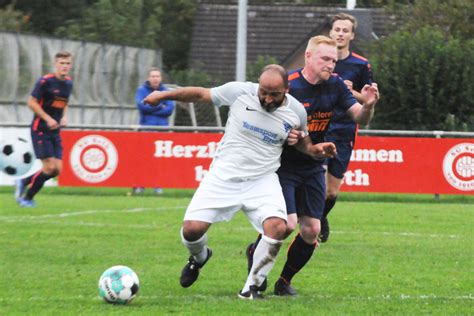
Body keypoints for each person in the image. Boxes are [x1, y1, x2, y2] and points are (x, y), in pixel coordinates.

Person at [144, 64, 337, 299]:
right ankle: (199, 257)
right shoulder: (240, 92)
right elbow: (200, 94)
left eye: (273, 94)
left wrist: (317, 149)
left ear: (286, 90)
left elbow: (304, 143)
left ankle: (251, 287)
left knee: (279, 226)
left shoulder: (296, 111)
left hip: (263, 179)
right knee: (192, 230)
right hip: (223, 175)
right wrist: (162, 95)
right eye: (263, 92)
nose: (266, 99)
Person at [246, 36, 379, 296]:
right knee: (286, 224)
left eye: (333, 60)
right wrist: (285, 135)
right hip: (282, 167)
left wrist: (369, 105)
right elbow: (259, 120)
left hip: (313, 165)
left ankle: (283, 281)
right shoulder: (289, 86)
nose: (331, 64)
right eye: (325, 59)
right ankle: (256, 271)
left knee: (312, 230)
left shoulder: (337, 85)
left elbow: (359, 116)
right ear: (308, 56)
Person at [320, 12, 374, 243]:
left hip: (345, 130)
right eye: (337, 30)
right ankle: (311, 222)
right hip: (320, 127)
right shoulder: (319, 60)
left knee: (332, 192)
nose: (340, 34)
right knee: (318, 182)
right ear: (330, 32)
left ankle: (320, 217)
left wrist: (349, 91)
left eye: (345, 30)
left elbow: (367, 100)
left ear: (351, 35)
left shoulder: (361, 65)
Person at [15, 51, 74, 207]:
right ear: (55, 64)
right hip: (40, 128)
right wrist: (47, 119)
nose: (65, 66)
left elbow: (64, 102)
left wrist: (64, 117)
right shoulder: (45, 81)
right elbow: (31, 102)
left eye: (67, 63)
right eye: (62, 63)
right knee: (49, 167)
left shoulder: (68, 82)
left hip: (55, 131)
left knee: (57, 170)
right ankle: (27, 198)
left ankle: (24, 181)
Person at [133, 67, 175, 195]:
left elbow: (169, 109)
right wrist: (159, 105)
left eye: (157, 76)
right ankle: (140, 185)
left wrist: (152, 105)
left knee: (159, 161)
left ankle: (158, 185)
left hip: (162, 130)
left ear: (161, 78)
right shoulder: (141, 90)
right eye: (153, 76)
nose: (155, 78)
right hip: (146, 130)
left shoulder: (166, 91)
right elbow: (141, 106)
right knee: (143, 160)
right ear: (148, 78)